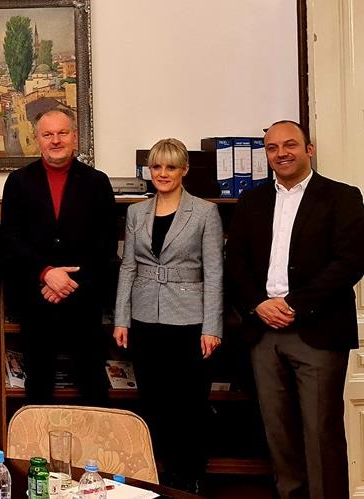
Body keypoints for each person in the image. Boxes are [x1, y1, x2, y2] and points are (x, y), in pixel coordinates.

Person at [225, 120, 364, 499]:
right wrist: (259, 304)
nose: (281, 153)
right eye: (272, 148)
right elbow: (236, 261)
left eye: (290, 145)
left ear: (309, 149)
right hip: (263, 333)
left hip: (317, 332)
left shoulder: (341, 197)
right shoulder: (251, 200)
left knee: (321, 434)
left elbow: (350, 261)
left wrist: (294, 305)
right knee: (278, 435)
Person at [113, 138, 223, 491]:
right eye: (157, 167)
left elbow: (214, 273)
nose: (163, 173)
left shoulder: (204, 212)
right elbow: (128, 267)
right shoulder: (136, 212)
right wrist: (121, 318)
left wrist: (212, 327)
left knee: (189, 404)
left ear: (184, 170)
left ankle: (190, 478)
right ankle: (160, 477)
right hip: (145, 319)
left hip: (190, 321)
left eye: (171, 167)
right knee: (154, 402)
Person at [0, 109, 117, 405]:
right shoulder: (18, 182)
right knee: (39, 385)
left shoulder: (97, 182)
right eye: (48, 134)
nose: (55, 140)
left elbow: (105, 243)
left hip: (83, 299)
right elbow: (10, 240)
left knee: (92, 384)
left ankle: (93, 438)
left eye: (62, 133)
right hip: (36, 300)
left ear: (75, 138)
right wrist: (46, 273)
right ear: (37, 140)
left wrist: (68, 281)